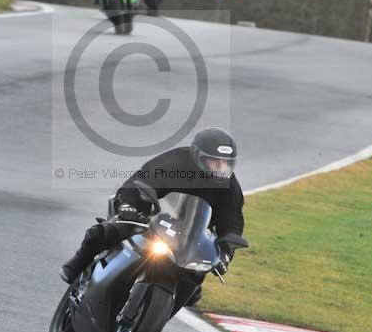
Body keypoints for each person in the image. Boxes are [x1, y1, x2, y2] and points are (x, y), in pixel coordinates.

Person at [60, 128, 246, 304]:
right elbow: (141, 180)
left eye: (226, 163)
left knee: (194, 283)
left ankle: (157, 318)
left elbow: (232, 221)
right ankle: (77, 264)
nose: (221, 167)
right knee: (106, 232)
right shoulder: (175, 162)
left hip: (191, 233)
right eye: (215, 161)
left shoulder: (230, 187)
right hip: (151, 216)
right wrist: (128, 205)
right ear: (197, 156)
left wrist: (226, 253)